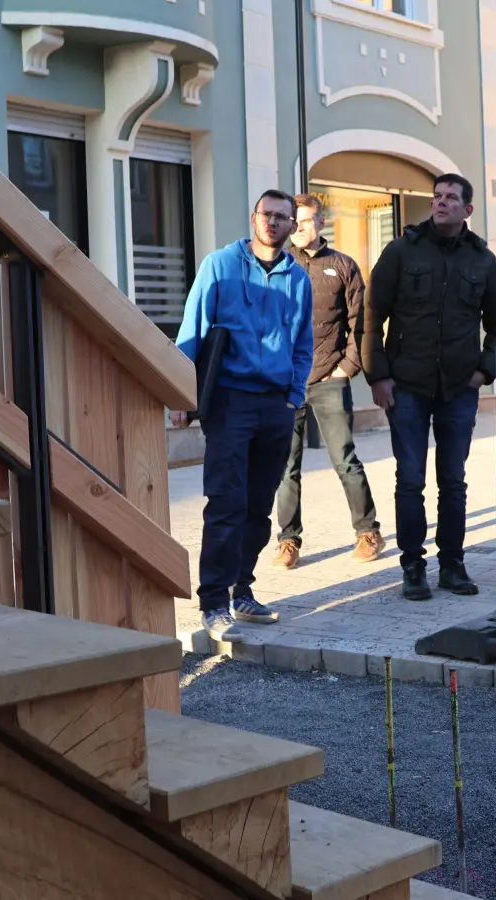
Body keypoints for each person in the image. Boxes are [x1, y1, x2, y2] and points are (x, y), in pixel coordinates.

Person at [364, 173, 496, 600]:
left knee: (453, 480)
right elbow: (371, 316)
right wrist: (378, 375)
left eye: (451, 198)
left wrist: (483, 371)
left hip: (458, 389)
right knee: (410, 479)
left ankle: (452, 564)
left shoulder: (481, 260)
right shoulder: (400, 250)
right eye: (437, 196)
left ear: (468, 209)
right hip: (406, 386)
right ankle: (413, 566)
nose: (441, 202)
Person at [173, 190, 313, 643]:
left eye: (282, 217)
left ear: (293, 225)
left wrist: (293, 396)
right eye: (266, 215)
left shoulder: (298, 278)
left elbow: (303, 343)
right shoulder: (220, 264)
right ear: (253, 219)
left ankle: (242, 590)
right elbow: (192, 327)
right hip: (230, 401)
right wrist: (180, 390)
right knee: (226, 504)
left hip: (276, 406)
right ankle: (213, 601)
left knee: (258, 509)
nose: (273, 222)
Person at [269, 194, 386, 569]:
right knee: (285, 465)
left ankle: (368, 531)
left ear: (321, 221)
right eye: (294, 221)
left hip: (329, 377)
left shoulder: (343, 266)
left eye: (305, 221)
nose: (298, 227)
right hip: (285, 383)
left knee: (344, 459)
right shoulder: (277, 264)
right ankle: (288, 541)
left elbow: (360, 323)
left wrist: (347, 367)